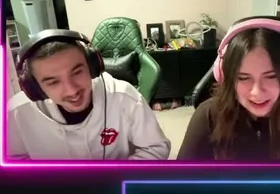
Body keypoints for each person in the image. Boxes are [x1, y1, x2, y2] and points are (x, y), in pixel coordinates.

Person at [177, 17, 280, 162]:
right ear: (227, 78)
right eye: (243, 78)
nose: (257, 92)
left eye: (271, 76)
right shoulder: (208, 117)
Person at [6, 30, 170, 160]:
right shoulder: (17, 113)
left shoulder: (125, 98)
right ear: (34, 87)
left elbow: (156, 147)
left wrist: (116, 176)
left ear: (92, 68)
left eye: (77, 72)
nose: (71, 90)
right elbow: (14, 162)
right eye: (53, 82)